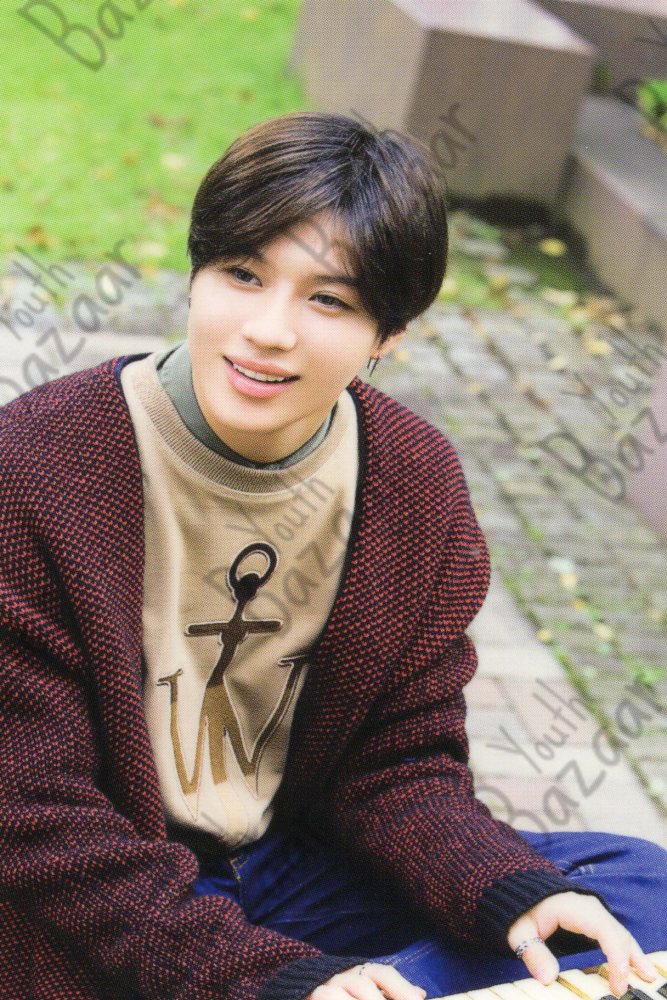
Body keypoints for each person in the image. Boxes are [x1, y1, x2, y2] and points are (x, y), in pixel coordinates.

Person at [0, 111, 665, 1000]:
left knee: (636, 889)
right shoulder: (36, 465)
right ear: (196, 274)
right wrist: (268, 978)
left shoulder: (412, 481)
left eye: (329, 300)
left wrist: (511, 892)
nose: (268, 330)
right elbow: (33, 815)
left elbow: (397, 764)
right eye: (242, 275)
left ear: (388, 334)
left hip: (287, 870)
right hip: (114, 889)